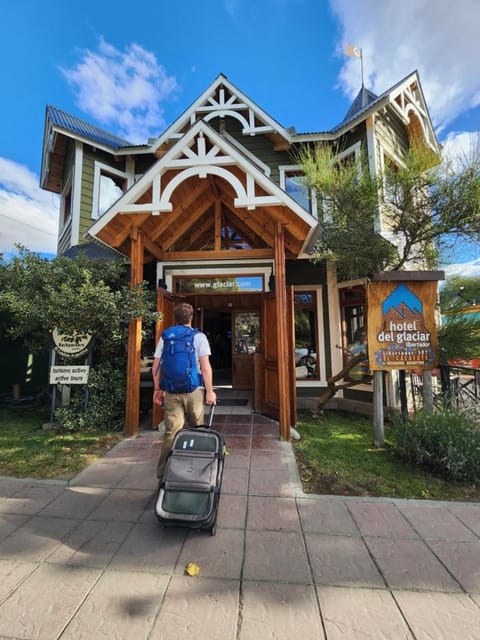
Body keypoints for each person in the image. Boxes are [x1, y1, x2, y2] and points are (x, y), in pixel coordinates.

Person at [152, 303, 216, 479]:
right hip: (194, 389)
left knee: (172, 432)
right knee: (198, 430)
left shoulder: (166, 337)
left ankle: (163, 474)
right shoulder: (199, 337)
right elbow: (205, 367)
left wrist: (158, 389)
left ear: (175, 318)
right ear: (191, 317)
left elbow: (156, 366)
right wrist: (210, 392)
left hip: (171, 391)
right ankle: (198, 471)